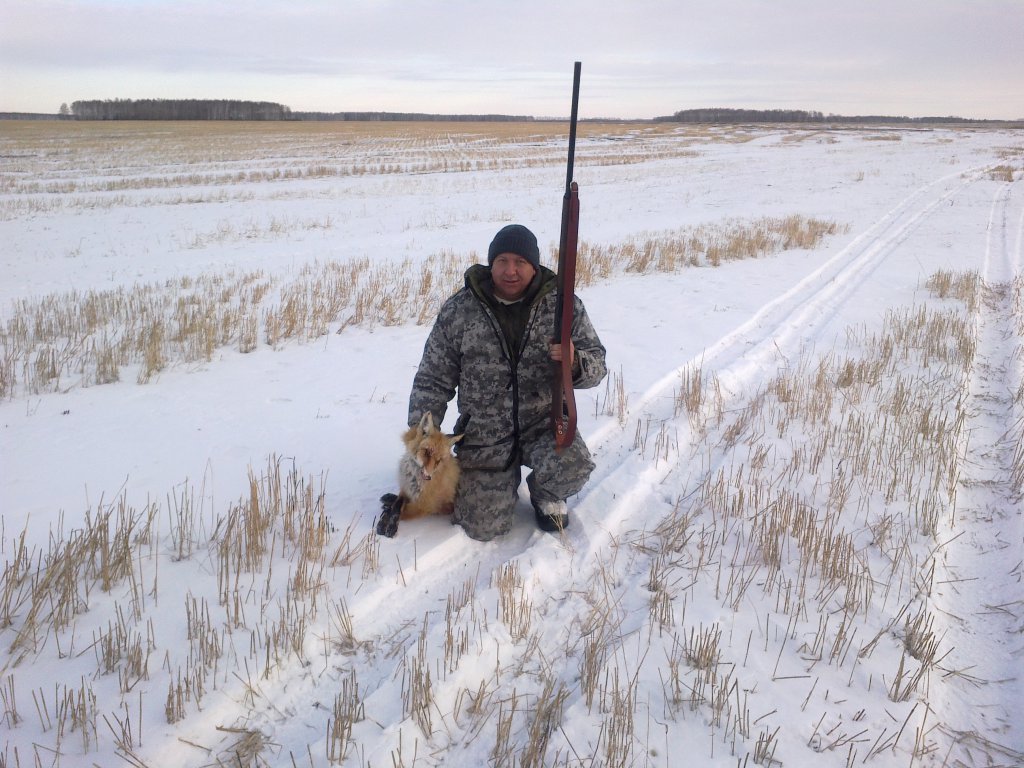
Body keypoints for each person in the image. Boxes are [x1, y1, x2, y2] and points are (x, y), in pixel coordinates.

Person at [407, 223, 607, 541]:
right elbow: (433, 378)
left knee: (573, 467)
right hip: (485, 433)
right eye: (502, 261)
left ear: (534, 266)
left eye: (520, 262)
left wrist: (574, 362)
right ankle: (487, 484)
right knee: (482, 526)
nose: (510, 271)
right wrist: (423, 436)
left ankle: (545, 493)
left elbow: (598, 366)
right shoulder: (460, 310)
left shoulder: (562, 306)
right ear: (491, 263)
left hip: (543, 424)